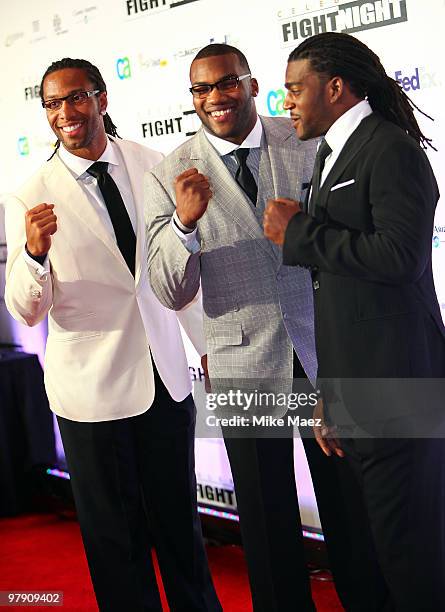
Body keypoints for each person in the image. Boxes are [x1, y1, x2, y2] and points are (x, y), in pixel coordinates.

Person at [145, 43, 376, 612]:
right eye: (201, 90)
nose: (215, 98)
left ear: (252, 85)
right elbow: (170, 289)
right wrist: (184, 225)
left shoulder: (306, 139)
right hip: (241, 363)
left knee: (351, 508)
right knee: (268, 523)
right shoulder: (169, 171)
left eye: (227, 84)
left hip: (322, 351)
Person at [5, 58, 221, 612]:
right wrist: (33, 255)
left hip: (165, 377)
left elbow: (182, 272)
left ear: (101, 99)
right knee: (114, 540)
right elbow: (27, 312)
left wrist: (205, 347)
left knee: (180, 529)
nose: (65, 113)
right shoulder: (30, 195)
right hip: (91, 392)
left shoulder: (156, 165)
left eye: (75, 98)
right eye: (52, 104)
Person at [264, 32, 445, 612]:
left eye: (295, 90)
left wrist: (299, 234)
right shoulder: (332, 151)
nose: (285, 102)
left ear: (335, 87)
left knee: (411, 557)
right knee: (389, 552)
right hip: (361, 391)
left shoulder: (389, 149)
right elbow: (340, 297)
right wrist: (330, 393)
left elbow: (400, 257)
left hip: (399, 390)